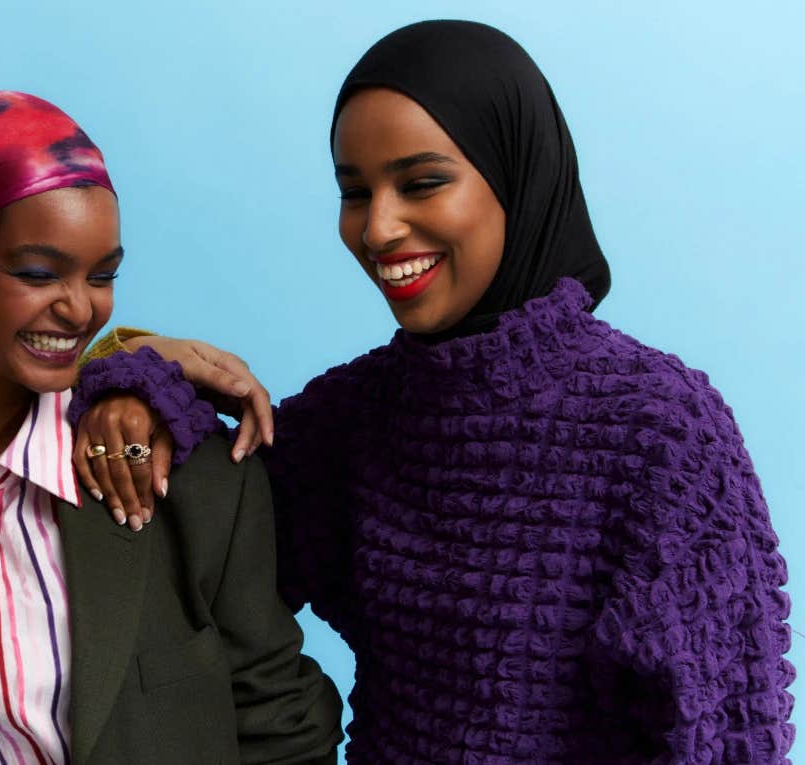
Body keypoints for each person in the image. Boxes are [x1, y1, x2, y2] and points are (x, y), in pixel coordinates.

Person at [73, 21, 794, 764]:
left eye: (421, 183)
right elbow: (209, 550)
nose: (378, 228)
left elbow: (727, 735)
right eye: (355, 192)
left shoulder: (661, 432)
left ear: (514, 176)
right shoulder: (355, 419)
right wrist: (133, 373)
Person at [0, 90, 343, 765]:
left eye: (103, 274)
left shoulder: (192, 476)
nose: (81, 309)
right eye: (39, 272)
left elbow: (283, 727)